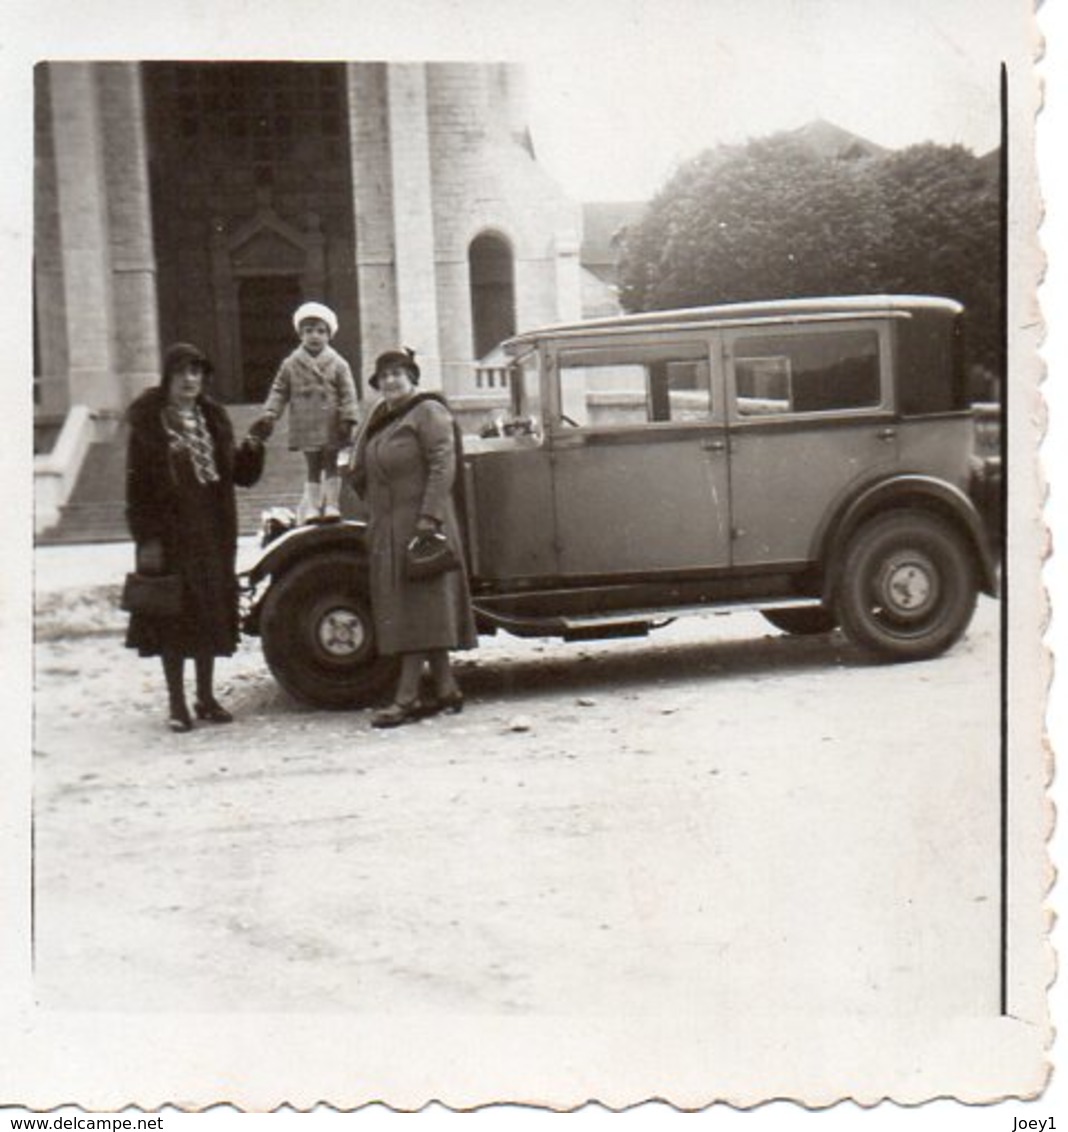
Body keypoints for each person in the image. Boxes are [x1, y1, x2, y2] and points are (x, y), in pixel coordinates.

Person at [125, 343, 265, 732]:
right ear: (168, 378)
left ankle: (205, 697)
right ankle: (176, 703)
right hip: (171, 537)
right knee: (174, 616)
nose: (191, 380)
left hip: (212, 533)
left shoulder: (214, 418)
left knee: (209, 615)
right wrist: (147, 540)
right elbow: (136, 490)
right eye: (183, 372)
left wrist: (253, 449)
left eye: (197, 372)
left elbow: (238, 474)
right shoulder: (150, 425)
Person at [351, 348, 478, 727]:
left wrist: (428, 518)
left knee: (415, 609)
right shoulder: (385, 420)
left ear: (413, 377)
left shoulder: (428, 412)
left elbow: (443, 464)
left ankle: (406, 698)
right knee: (420, 607)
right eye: (384, 375)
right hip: (391, 526)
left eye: (398, 373)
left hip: (424, 524)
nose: (390, 381)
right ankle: (446, 688)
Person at [250, 301, 360, 523]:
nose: (314, 336)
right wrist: (271, 413)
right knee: (312, 465)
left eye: (320, 331)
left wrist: (348, 418)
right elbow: (279, 389)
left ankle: (331, 505)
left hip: (330, 421)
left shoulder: (338, 363)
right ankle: (312, 508)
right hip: (306, 421)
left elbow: (349, 392)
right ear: (300, 334)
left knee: (331, 463)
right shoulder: (291, 363)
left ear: (329, 334)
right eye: (308, 331)